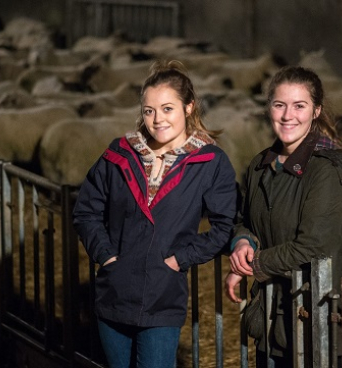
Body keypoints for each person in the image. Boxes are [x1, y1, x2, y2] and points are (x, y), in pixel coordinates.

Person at [73, 60, 237, 368]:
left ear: (188, 107)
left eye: (167, 109)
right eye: (149, 111)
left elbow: (224, 226)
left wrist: (179, 260)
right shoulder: (119, 153)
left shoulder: (209, 162)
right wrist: (106, 256)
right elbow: (86, 210)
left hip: (163, 297)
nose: (157, 119)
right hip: (114, 292)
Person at [224, 66, 342, 366]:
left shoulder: (327, 171)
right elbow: (245, 219)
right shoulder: (260, 166)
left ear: (316, 111)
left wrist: (255, 263)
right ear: (269, 109)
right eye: (279, 105)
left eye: (299, 106)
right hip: (272, 314)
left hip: (318, 315)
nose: (288, 115)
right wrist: (241, 242)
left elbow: (315, 246)